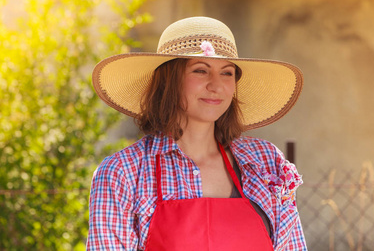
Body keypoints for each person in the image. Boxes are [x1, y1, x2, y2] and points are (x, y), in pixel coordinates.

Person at [87, 16, 307, 251]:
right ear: (168, 81)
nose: (216, 85)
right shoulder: (123, 173)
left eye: (227, 73)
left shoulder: (265, 162)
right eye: (200, 70)